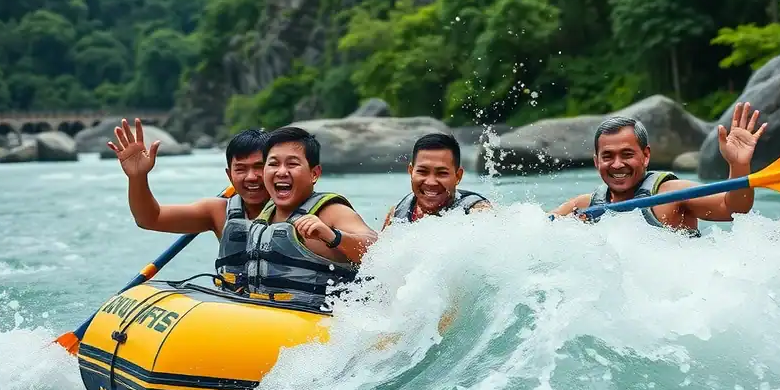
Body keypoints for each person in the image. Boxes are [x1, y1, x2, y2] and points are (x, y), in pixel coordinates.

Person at [214, 126, 378, 308]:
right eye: (273, 164)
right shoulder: (264, 215)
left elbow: (380, 250)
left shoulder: (331, 211)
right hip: (260, 320)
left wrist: (333, 236)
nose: (281, 172)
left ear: (314, 174)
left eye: (292, 164)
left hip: (317, 324)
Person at [550, 102, 767, 235]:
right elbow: (535, 229)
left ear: (645, 156)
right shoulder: (583, 207)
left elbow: (734, 210)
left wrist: (738, 165)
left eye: (627, 154)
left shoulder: (672, 195)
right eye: (608, 156)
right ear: (597, 162)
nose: (617, 164)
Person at [107, 118, 270, 239]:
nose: (250, 177)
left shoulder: (293, 210)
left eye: (259, 167)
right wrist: (138, 177)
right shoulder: (217, 212)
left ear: (274, 168)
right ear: (229, 176)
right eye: (240, 169)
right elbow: (149, 219)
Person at [381, 132, 492, 230]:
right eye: (422, 171)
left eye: (442, 173)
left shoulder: (478, 214)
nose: (430, 182)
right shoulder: (397, 214)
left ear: (458, 176)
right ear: (411, 172)